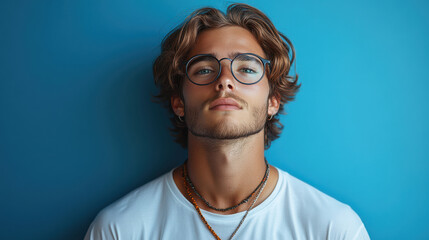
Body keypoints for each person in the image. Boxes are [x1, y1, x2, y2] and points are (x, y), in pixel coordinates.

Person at [84, 3, 370, 240]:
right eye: (205, 69)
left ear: (273, 101)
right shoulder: (120, 230)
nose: (225, 80)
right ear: (178, 102)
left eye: (246, 68)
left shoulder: (334, 228)